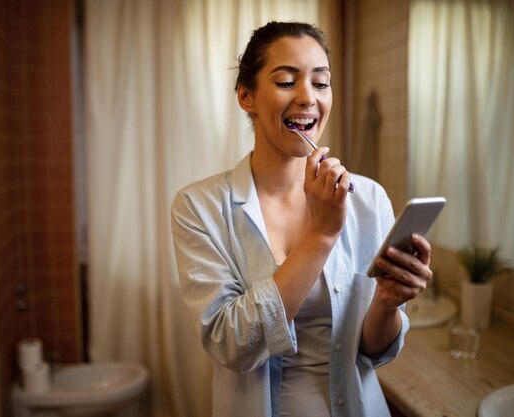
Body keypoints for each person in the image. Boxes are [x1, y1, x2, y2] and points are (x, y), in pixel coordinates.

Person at [171, 21, 432, 417]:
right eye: (287, 81)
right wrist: (322, 234)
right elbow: (230, 344)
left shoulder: (368, 199)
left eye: (321, 82)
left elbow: (372, 352)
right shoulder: (198, 207)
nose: (308, 97)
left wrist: (388, 304)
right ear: (246, 96)